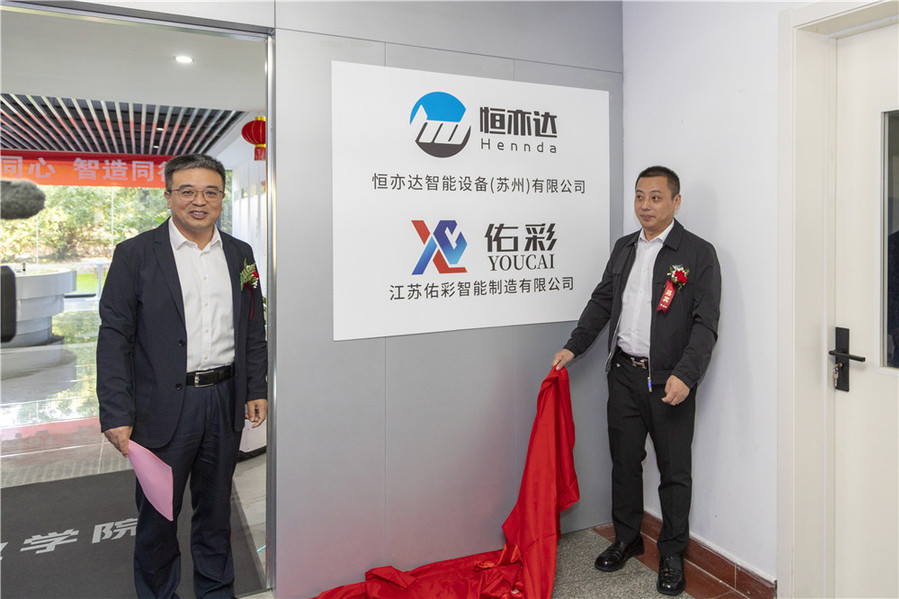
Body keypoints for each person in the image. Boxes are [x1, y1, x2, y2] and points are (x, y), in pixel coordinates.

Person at [97, 153, 268, 598]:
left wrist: (256, 387)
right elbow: (114, 338)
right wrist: (116, 412)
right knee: (159, 517)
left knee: (216, 513)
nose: (199, 201)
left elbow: (253, 326)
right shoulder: (135, 254)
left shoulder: (240, 254)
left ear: (222, 198)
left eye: (211, 192)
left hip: (224, 400)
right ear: (168, 195)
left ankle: (216, 592)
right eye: (188, 191)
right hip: (163, 406)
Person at [552, 166, 720, 596]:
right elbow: (602, 301)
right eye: (640, 196)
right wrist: (574, 346)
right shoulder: (624, 248)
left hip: (669, 382)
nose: (646, 206)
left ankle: (672, 554)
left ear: (676, 202)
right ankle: (627, 538)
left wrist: (686, 375)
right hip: (624, 374)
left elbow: (705, 324)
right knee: (624, 463)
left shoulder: (698, 253)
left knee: (674, 471)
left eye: (656, 197)